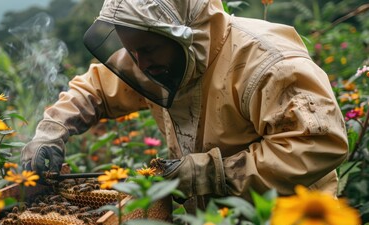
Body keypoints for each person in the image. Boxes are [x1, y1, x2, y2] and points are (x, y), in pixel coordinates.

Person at [21, 0, 348, 210]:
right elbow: (94, 88)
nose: (139, 62)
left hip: (291, 222)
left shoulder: (267, 63)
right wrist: (52, 130)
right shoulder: (150, 54)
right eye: (131, 50)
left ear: (184, 36)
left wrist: (210, 173)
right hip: (214, 224)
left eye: (147, 50)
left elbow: (319, 142)